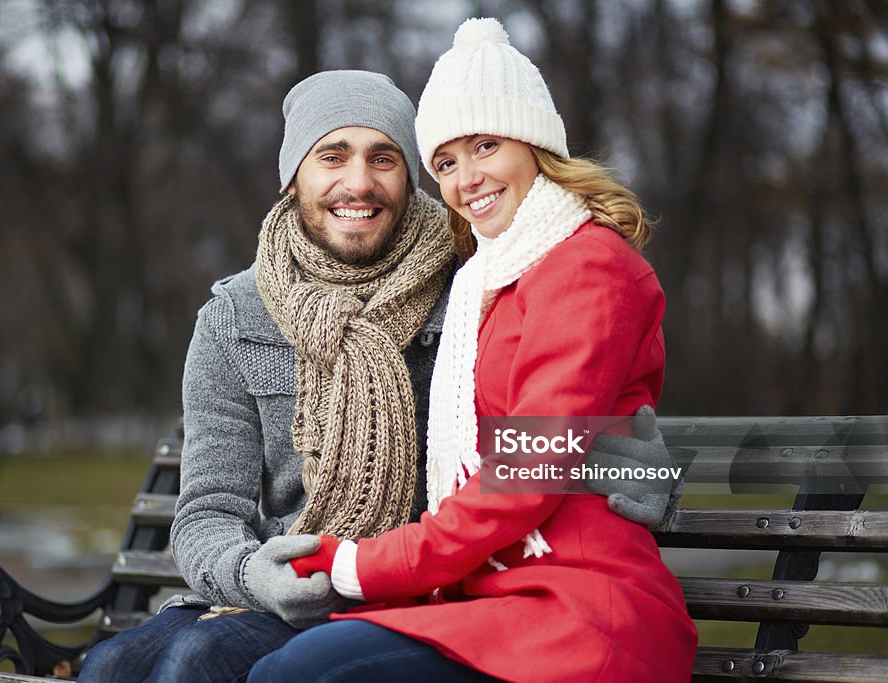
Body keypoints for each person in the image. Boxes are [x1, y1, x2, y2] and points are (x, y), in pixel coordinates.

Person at [78, 68, 679, 683]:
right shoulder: (236, 317)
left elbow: (549, 418)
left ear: (410, 176)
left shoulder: (470, 280)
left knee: (195, 663)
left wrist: (628, 464)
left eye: (384, 158)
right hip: (285, 582)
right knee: (111, 664)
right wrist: (250, 572)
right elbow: (208, 509)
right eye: (332, 156)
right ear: (292, 177)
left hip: (408, 589)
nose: (358, 183)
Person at [247, 18, 697, 683]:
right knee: (289, 667)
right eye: (447, 162)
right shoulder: (483, 281)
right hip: (492, 600)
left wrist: (357, 563)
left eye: (486, 145)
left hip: (578, 610)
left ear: (535, 144)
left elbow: (525, 474)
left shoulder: (588, 267)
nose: (467, 178)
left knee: (302, 674)